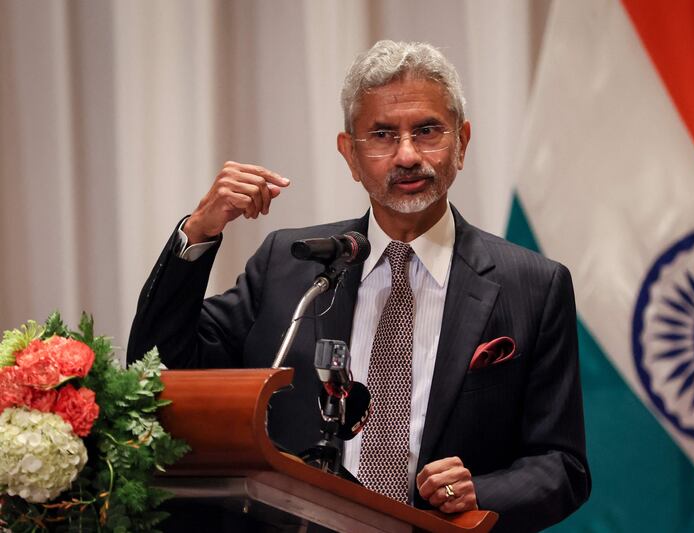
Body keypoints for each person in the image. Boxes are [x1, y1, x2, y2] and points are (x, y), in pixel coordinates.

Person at [128, 40, 590, 531]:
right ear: (350, 154)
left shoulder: (533, 286)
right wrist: (199, 232)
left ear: (462, 142)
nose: (408, 155)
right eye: (383, 135)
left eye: (428, 130)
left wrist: (481, 491)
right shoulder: (289, 267)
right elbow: (160, 367)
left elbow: (562, 464)